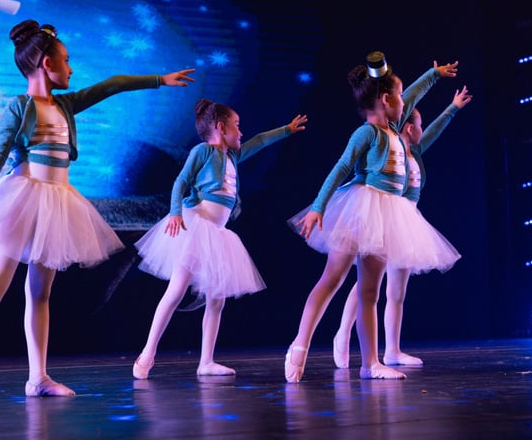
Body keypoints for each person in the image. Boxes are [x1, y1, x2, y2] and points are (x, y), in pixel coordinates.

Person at [0, 19, 195, 396]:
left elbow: (112, 84)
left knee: (40, 293)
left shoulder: (66, 105)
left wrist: (159, 80)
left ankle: (38, 378)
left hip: (57, 203)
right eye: (66, 60)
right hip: (21, 200)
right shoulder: (20, 107)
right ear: (46, 64)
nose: (71, 69)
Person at [285, 51, 461, 382]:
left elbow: (412, 95)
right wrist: (318, 206)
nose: (405, 101)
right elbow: (340, 168)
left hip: (388, 214)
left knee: (370, 292)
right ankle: (300, 344)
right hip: (359, 208)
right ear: (385, 100)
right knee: (333, 278)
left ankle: (370, 364)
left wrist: (434, 75)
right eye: (399, 95)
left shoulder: (394, 129)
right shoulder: (367, 133)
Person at [132, 100, 307, 379]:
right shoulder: (203, 151)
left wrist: (287, 129)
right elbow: (181, 182)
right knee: (176, 291)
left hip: (217, 233)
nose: (241, 132)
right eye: (237, 126)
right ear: (220, 127)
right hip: (195, 226)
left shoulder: (232, 156)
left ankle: (206, 362)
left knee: (217, 299)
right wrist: (175, 213)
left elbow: (260, 141)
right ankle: (147, 353)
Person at [332, 86, 471, 368]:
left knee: (397, 292)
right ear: (409, 127)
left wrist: (453, 107)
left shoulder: (414, 152)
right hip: (384, 218)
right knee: (367, 284)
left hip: (407, 223)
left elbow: (435, 130)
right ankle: (342, 334)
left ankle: (392, 350)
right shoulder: (388, 149)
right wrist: (435, 82)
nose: (422, 129)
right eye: (418, 124)